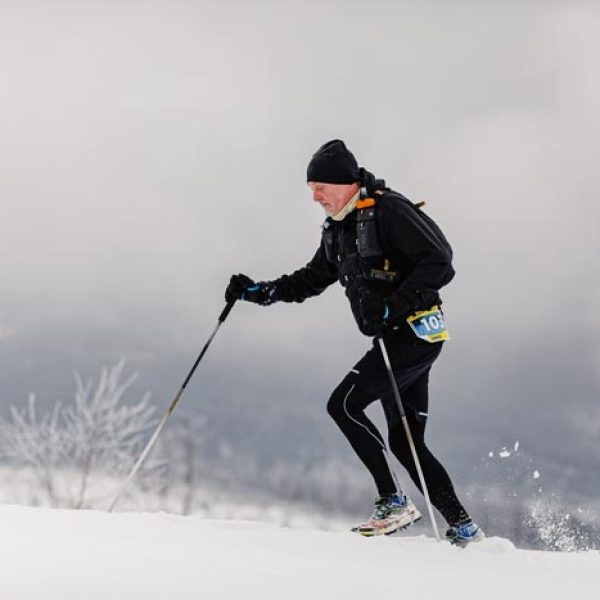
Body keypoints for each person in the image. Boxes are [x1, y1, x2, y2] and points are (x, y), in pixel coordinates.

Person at [225, 139, 483, 545]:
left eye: (320, 186)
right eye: (310, 188)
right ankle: (464, 527)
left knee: (343, 404)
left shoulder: (389, 210)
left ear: (345, 182)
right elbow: (311, 279)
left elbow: (440, 261)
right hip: (402, 338)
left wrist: (392, 306)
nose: (315, 196)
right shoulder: (340, 228)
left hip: (412, 333)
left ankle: (393, 502)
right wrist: (258, 292)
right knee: (405, 443)